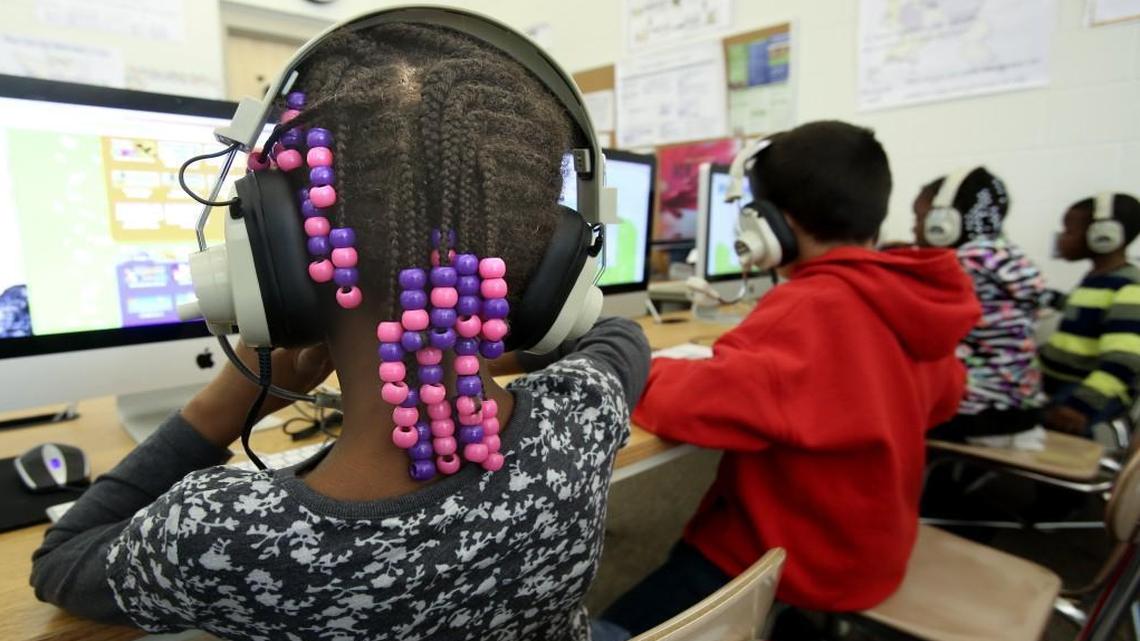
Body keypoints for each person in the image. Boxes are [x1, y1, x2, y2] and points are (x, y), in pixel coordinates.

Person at [30, 20, 650, 641]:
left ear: (275, 263)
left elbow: (61, 562)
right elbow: (622, 340)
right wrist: (493, 334)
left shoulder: (220, 536)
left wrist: (232, 399)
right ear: (554, 275)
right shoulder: (584, 415)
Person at [597, 121, 980, 638]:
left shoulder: (809, 308)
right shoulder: (914, 298)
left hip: (794, 559)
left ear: (770, 225)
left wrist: (625, 359)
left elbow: (687, 406)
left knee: (610, 629)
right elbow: (948, 394)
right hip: (874, 548)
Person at [912, 167, 1052, 441]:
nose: (914, 228)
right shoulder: (1004, 256)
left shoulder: (964, 264)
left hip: (977, 408)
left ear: (944, 223)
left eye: (918, 218)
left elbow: (920, 326)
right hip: (1019, 404)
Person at [1039, 192, 1140, 435]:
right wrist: (1036, 293)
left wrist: (1080, 407)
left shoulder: (1128, 287)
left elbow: (1123, 360)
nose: (1061, 238)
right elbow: (1078, 310)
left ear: (1104, 236)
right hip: (1064, 382)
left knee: (1049, 423)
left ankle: (1057, 470)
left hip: (1086, 392)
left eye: (1069, 231)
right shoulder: (1097, 279)